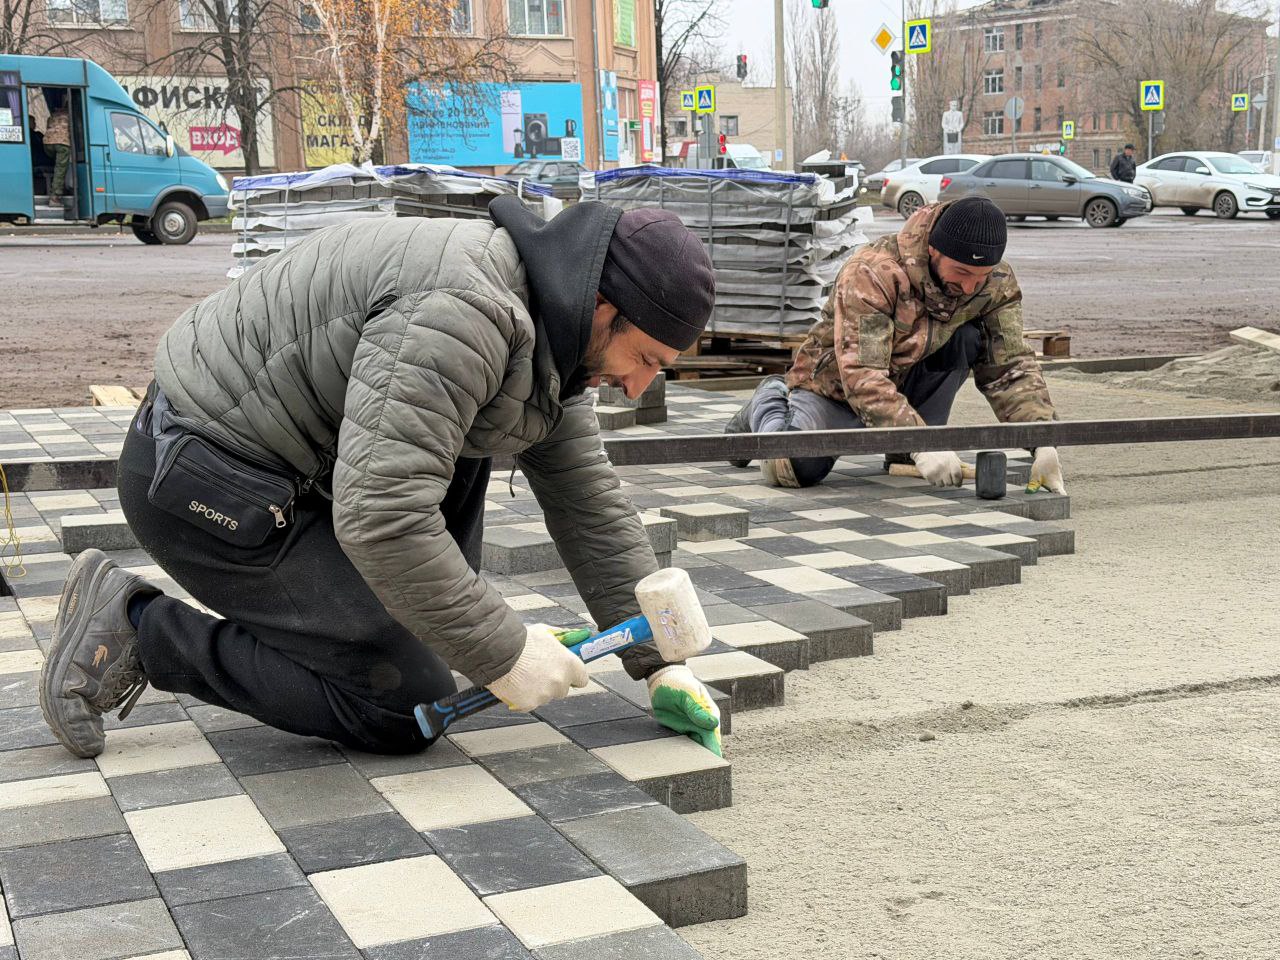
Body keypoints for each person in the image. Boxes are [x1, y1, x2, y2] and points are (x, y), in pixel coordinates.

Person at [39, 197, 726, 760]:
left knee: (441, 622)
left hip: (294, 477)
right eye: (645, 357)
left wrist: (658, 658)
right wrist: (504, 647)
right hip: (203, 481)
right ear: (604, 305)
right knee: (405, 702)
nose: (638, 387)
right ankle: (137, 627)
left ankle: (344, 627)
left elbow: (588, 506)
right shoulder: (464, 313)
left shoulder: (555, 331)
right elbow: (384, 518)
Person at [724, 196, 1065, 493]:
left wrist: (1040, 438)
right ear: (934, 250)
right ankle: (769, 398)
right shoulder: (874, 273)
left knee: (966, 337)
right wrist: (921, 442)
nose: (971, 286)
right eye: (961, 272)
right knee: (792, 468)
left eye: (981, 276)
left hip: (910, 382)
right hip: (836, 388)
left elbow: (1010, 365)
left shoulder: (995, 282)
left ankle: (905, 445)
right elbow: (862, 373)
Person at [44, 102, 71, 204]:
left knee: (57, 166)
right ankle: (55, 197)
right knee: (60, 169)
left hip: (47, 143)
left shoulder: (54, 114)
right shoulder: (71, 114)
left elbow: (47, 126)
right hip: (62, 143)